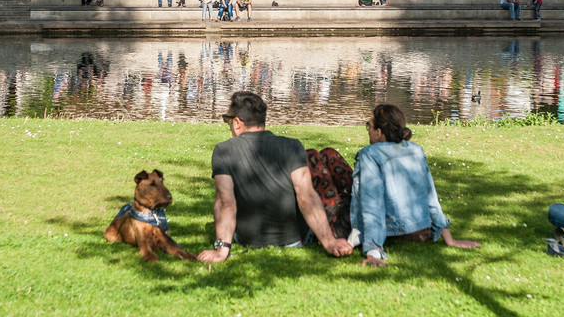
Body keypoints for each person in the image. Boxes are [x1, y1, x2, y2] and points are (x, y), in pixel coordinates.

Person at [196, 92, 355, 263]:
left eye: (227, 120)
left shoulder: (223, 150)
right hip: (294, 240)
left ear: (237, 123)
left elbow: (225, 202)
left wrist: (222, 249)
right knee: (322, 158)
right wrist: (329, 242)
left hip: (247, 239)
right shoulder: (292, 145)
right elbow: (306, 197)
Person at [350, 105, 480, 267]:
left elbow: (372, 203)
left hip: (389, 230)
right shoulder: (416, 150)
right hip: (419, 229)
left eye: (368, 126)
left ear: (378, 132)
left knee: (330, 161)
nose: (368, 130)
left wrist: (373, 251)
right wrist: (449, 239)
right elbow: (430, 195)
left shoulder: (370, 154)